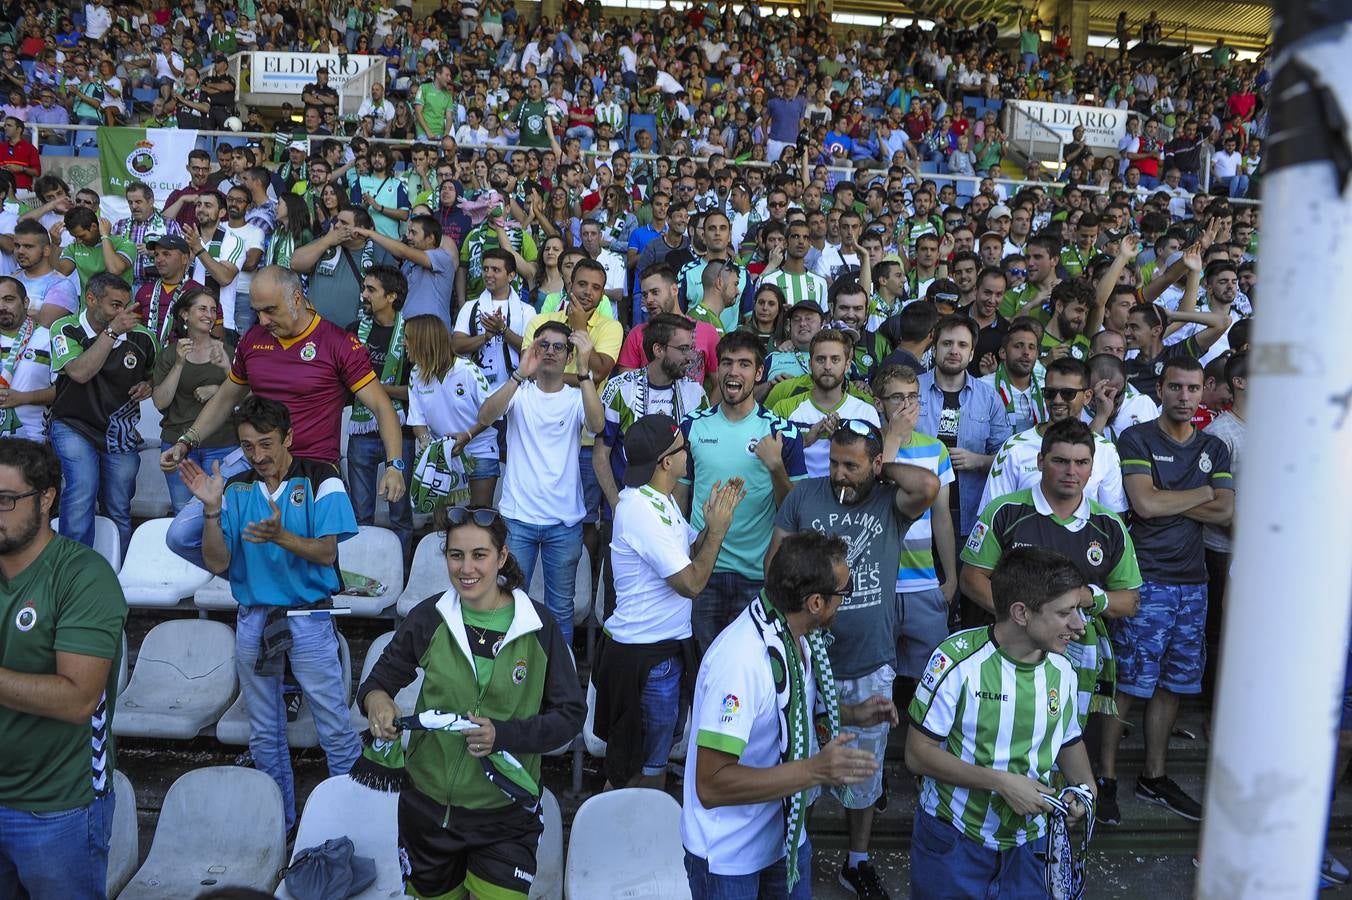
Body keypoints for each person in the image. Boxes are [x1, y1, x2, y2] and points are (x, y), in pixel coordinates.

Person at [358, 505, 585, 900]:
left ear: (502, 556)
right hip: (426, 811)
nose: (467, 568)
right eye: (456, 555)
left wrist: (504, 735)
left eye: (480, 555)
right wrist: (378, 702)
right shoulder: (430, 616)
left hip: (505, 816)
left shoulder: (539, 627)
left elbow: (569, 717)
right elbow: (377, 683)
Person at [768, 423, 939, 897]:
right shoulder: (804, 497)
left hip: (868, 662)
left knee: (863, 772)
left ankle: (857, 858)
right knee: (797, 763)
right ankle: (788, 850)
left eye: (852, 465)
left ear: (875, 465)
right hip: (805, 658)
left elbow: (927, 485)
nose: (840, 475)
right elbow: (775, 567)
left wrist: (883, 471)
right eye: (834, 463)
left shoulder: (889, 502)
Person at [682, 529, 898, 899]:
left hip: (785, 841)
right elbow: (711, 783)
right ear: (816, 602)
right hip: (729, 859)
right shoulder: (741, 662)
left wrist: (850, 714)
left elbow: (787, 711)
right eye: (843, 593)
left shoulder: (796, 634)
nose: (845, 601)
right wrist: (813, 771)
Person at [180, 396, 362, 832]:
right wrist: (209, 509)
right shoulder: (236, 487)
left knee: (333, 725)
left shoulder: (323, 476)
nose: (258, 456)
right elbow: (219, 562)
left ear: (288, 439)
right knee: (263, 730)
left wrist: (281, 536)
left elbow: (325, 553)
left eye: (266, 444)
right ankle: (278, 825)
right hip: (254, 616)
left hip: (309, 617)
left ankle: (352, 823)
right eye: (247, 446)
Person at [160, 266, 407, 568]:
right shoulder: (253, 339)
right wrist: (188, 440)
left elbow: (382, 407)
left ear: (297, 299)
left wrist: (395, 464)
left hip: (310, 468)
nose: (263, 320)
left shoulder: (338, 342)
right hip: (252, 461)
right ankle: (256, 578)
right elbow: (227, 397)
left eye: (270, 310)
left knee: (309, 560)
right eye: (257, 312)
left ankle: (277, 588)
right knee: (180, 535)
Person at [907, 546, 1096, 898]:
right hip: (954, 840)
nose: (1080, 626)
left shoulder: (1065, 670)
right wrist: (1002, 783)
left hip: (1031, 848)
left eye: (1080, 611)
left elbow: (1069, 744)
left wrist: (1085, 793)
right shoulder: (955, 660)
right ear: (1021, 613)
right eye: (1066, 613)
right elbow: (918, 755)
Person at [1101, 357, 1233, 822]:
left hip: (1193, 583)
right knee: (1130, 683)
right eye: (1175, 387)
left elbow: (1225, 513)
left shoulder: (1214, 448)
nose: (1184, 396)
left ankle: (1154, 777)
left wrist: (1170, 499)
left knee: (1174, 684)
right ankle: (1105, 778)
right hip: (1146, 579)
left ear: (1203, 392)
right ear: (1160, 389)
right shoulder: (1136, 438)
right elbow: (1144, 503)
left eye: (1193, 389)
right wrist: (1201, 494)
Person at [0, 438, 128, 899]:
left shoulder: (83, 576)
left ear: (47, 497)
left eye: (6, 500)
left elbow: (78, 700)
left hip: (58, 807)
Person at [596, 414, 744, 789]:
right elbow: (692, 583)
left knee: (649, 763)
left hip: (660, 654)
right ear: (666, 461)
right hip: (646, 664)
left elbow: (687, 553)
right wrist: (720, 533)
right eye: (683, 447)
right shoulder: (641, 510)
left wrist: (710, 527)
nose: (688, 453)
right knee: (644, 771)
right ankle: (637, 841)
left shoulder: (658, 499)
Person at [678, 330, 808, 653]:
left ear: (759, 373)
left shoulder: (782, 432)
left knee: (748, 668)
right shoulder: (692, 426)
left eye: (744, 364)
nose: (734, 372)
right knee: (703, 669)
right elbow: (679, 499)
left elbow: (796, 512)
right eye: (726, 363)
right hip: (703, 573)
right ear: (717, 369)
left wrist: (776, 467)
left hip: (756, 577)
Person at [477, 322, 605, 644]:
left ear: (569, 356)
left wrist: (587, 371)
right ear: (532, 350)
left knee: (560, 611)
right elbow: (485, 416)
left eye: (558, 347)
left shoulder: (577, 397)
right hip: (518, 519)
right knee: (507, 605)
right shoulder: (520, 394)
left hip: (563, 524)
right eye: (542, 345)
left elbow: (597, 423)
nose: (549, 351)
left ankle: (556, 687)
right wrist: (519, 374)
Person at [49, 273, 156, 555]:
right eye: (115, 305)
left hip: (118, 431)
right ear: (91, 299)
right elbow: (80, 373)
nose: (123, 313)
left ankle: (114, 573)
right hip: (74, 424)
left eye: (126, 305)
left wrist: (150, 384)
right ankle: (74, 573)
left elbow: (158, 375)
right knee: (82, 491)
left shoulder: (143, 337)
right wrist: (111, 333)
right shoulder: (66, 328)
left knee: (119, 506)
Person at [978, 356, 1127, 513]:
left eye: (1068, 393)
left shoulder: (1106, 451)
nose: (1057, 400)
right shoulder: (1014, 448)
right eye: (1050, 393)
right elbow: (991, 514)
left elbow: (1113, 518)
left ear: (1087, 396)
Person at [917, 314, 1012, 549]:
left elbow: (1008, 458)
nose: (954, 350)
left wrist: (978, 461)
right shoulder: (911, 389)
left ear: (971, 354)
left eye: (962, 345)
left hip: (968, 514)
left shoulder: (989, 398)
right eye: (947, 343)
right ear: (934, 347)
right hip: (916, 510)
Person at [346, 266, 415, 557]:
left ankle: (398, 573)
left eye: (371, 290)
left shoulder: (412, 333)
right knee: (361, 515)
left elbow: (417, 391)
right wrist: (370, 390)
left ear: (391, 296)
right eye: (364, 288)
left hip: (401, 434)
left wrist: (373, 390)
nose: (363, 294)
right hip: (360, 430)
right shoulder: (352, 330)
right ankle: (362, 570)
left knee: (400, 515)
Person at [151, 288, 234, 513]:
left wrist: (218, 388)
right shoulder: (169, 354)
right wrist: (179, 363)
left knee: (223, 513)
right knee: (184, 515)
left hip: (222, 443)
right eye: (203, 308)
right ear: (185, 315)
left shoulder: (228, 351)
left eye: (213, 310)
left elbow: (245, 398)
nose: (209, 314)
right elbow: (160, 402)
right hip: (178, 444)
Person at [405, 314, 499, 509]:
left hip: (479, 450)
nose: (403, 343)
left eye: (407, 338)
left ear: (424, 341)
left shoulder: (467, 370)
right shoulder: (415, 374)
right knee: (443, 523)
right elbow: (417, 420)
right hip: (444, 455)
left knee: (479, 518)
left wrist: (468, 435)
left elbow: (493, 412)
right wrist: (428, 445)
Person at [769, 328, 880, 477]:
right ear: (810, 364)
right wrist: (805, 440)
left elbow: (874, 468)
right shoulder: (785, 408)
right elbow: (769, 459)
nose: (827, 366)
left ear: (847, 365)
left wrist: (841, 440)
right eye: (821, 359)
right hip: (799, 495)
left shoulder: (866, 411)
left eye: (835, 359)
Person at [452, 248, 535, 396]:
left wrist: (503, 330)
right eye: (485, 269)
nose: (488, 274)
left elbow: (532, 351)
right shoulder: (470, 307)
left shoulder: (527, 311)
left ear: (511, 276)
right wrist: (485, 337)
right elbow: (456, 346)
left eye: (495, 270)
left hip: (517, 391)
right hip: (476, 391)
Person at [355, 214, 460, 330]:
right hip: (408, 332)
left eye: (413, 233)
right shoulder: (407, 264)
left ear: (430, 238)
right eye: (408, 232)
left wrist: (370, 234)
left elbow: (403, 251)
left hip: (433, 333)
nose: (408, 237)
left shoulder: (443, 257)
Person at [0, 277, 54, 440]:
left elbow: (65, 392)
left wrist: (24, 398)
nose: (1, 307)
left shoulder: (48, 338)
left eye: (8, 299)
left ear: (25, 302)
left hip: (33, 440)